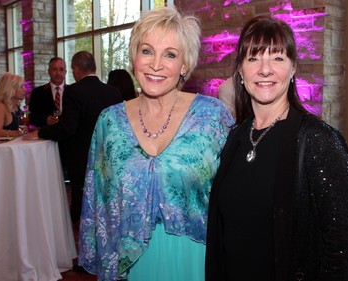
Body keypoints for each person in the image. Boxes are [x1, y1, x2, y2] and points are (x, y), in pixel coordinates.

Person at [78, 6, 234, 281]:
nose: (156, 65)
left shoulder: (212, 117)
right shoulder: (109, 123)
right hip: (132, 266)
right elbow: (97, 202)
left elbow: (236, 196)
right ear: (134, 56)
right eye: (147, 51)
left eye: (170, 55)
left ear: (184, 64)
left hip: (196, 260)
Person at [205, 16, 348, 281]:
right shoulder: (234, 139)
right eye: (253, 58)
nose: (265, 70)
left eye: (277, 58)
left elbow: (342, 248)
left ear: (293, 68)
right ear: (239, 70)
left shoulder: (319, 141)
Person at [24, 51, 123, 223]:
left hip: (81, 156)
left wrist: (40, 132)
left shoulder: (74, 91)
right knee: (106, 194)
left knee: (81, 196)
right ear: (94, 67)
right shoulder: (113, 92)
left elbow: (67, 128)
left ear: (75, 69)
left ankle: (80, 231)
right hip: (109, 154)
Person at [29, 57, 67, 127]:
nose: (58, 73)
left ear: (65, 72)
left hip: (69, 136)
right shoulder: (37, 93)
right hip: (45, 135)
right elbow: (32, 118)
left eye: (61, 69)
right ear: (49, 71)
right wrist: (45, 120)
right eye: (54, 69)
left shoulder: (73, 92)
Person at [0, 72, 26, 137]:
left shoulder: (16, 106)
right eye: (21, 87)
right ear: (10, 89)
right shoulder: (0, 106)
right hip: (5, 146)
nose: (25, 90)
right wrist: (18, 133)